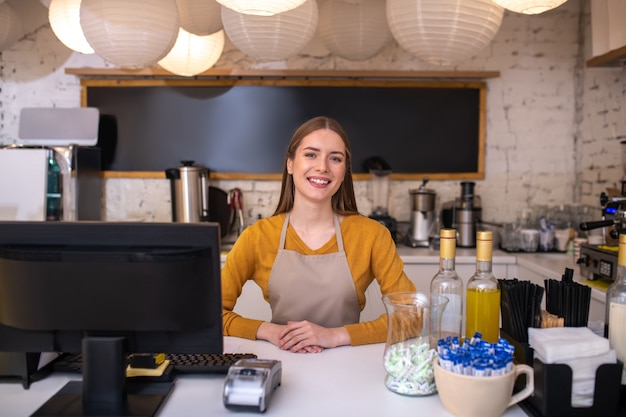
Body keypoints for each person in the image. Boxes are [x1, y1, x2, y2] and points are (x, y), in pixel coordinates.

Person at [221, 116, 416, 353]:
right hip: (282, 364)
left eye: (335, 158)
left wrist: (334, 335)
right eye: (311, 154)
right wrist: (269, 331)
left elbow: (411, 316)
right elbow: (208, 315)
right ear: (290, 164)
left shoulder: (372, 235)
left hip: (348, 368)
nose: (323, 166)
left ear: (344, 172)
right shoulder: (257, 237)